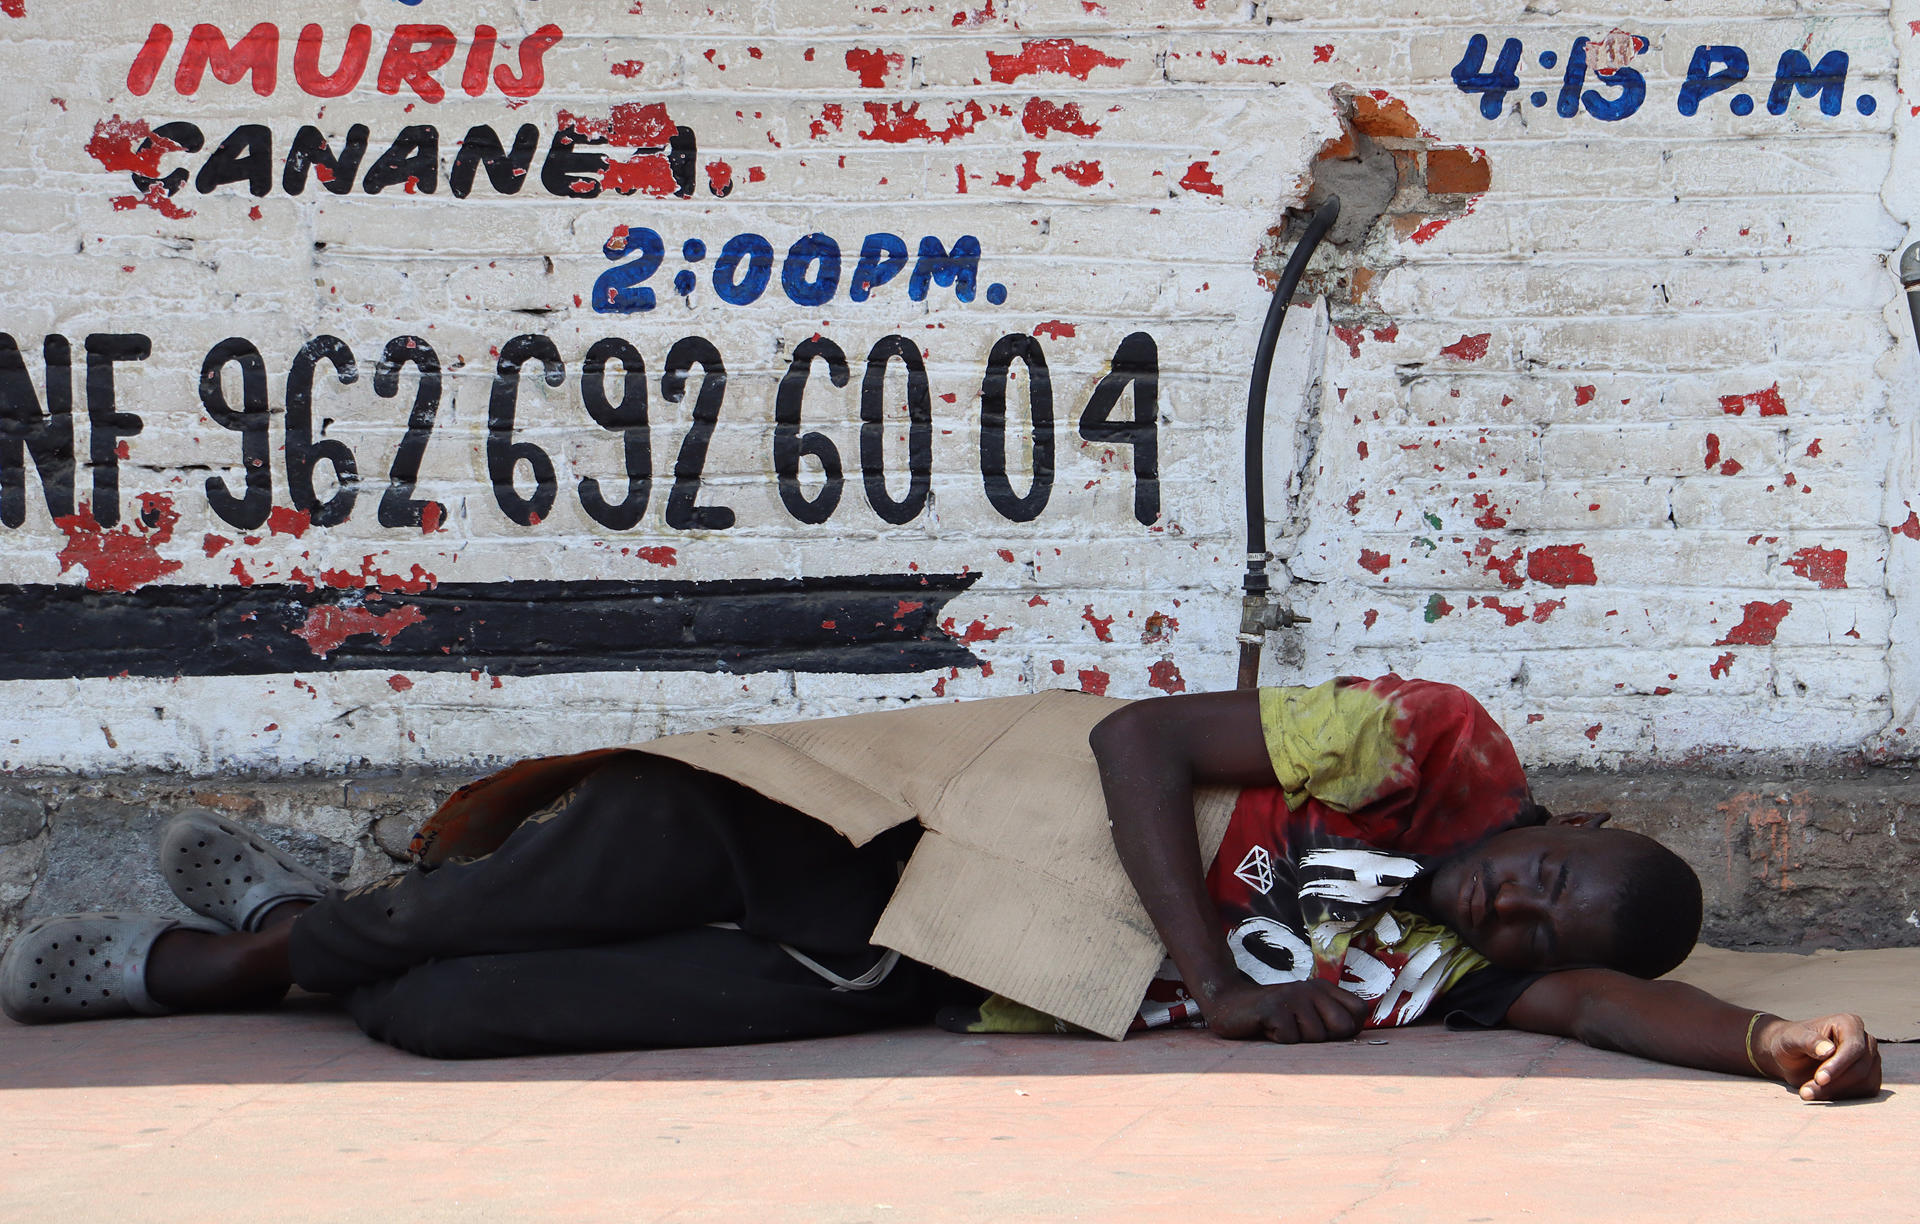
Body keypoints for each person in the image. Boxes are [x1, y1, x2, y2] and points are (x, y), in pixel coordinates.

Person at [0, 676, 1882, 1101]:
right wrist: (1212, 967)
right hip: (877, 831)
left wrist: (1777, 1038)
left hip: (908, 968)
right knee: (477, 917)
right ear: (1549, 814)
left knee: (441, 1013)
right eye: (1543, 869)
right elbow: (1139, 740)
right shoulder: (1424, 746)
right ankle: (206, 959)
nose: (1511, 906)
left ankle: (336, 915)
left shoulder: (1470, 973)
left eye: (1535, 923)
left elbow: (1611, 1002)